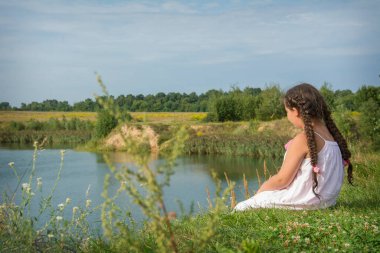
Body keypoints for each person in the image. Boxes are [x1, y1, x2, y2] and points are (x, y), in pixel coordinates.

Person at [234, 83, 353, 211]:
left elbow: (281, 180)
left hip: (303, 202)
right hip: (326, 202)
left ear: (295, 111)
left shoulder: (304, 139)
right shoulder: (332, 136)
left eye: (287, 112)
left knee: (241, 207)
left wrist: (259, 194)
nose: (287, 116)